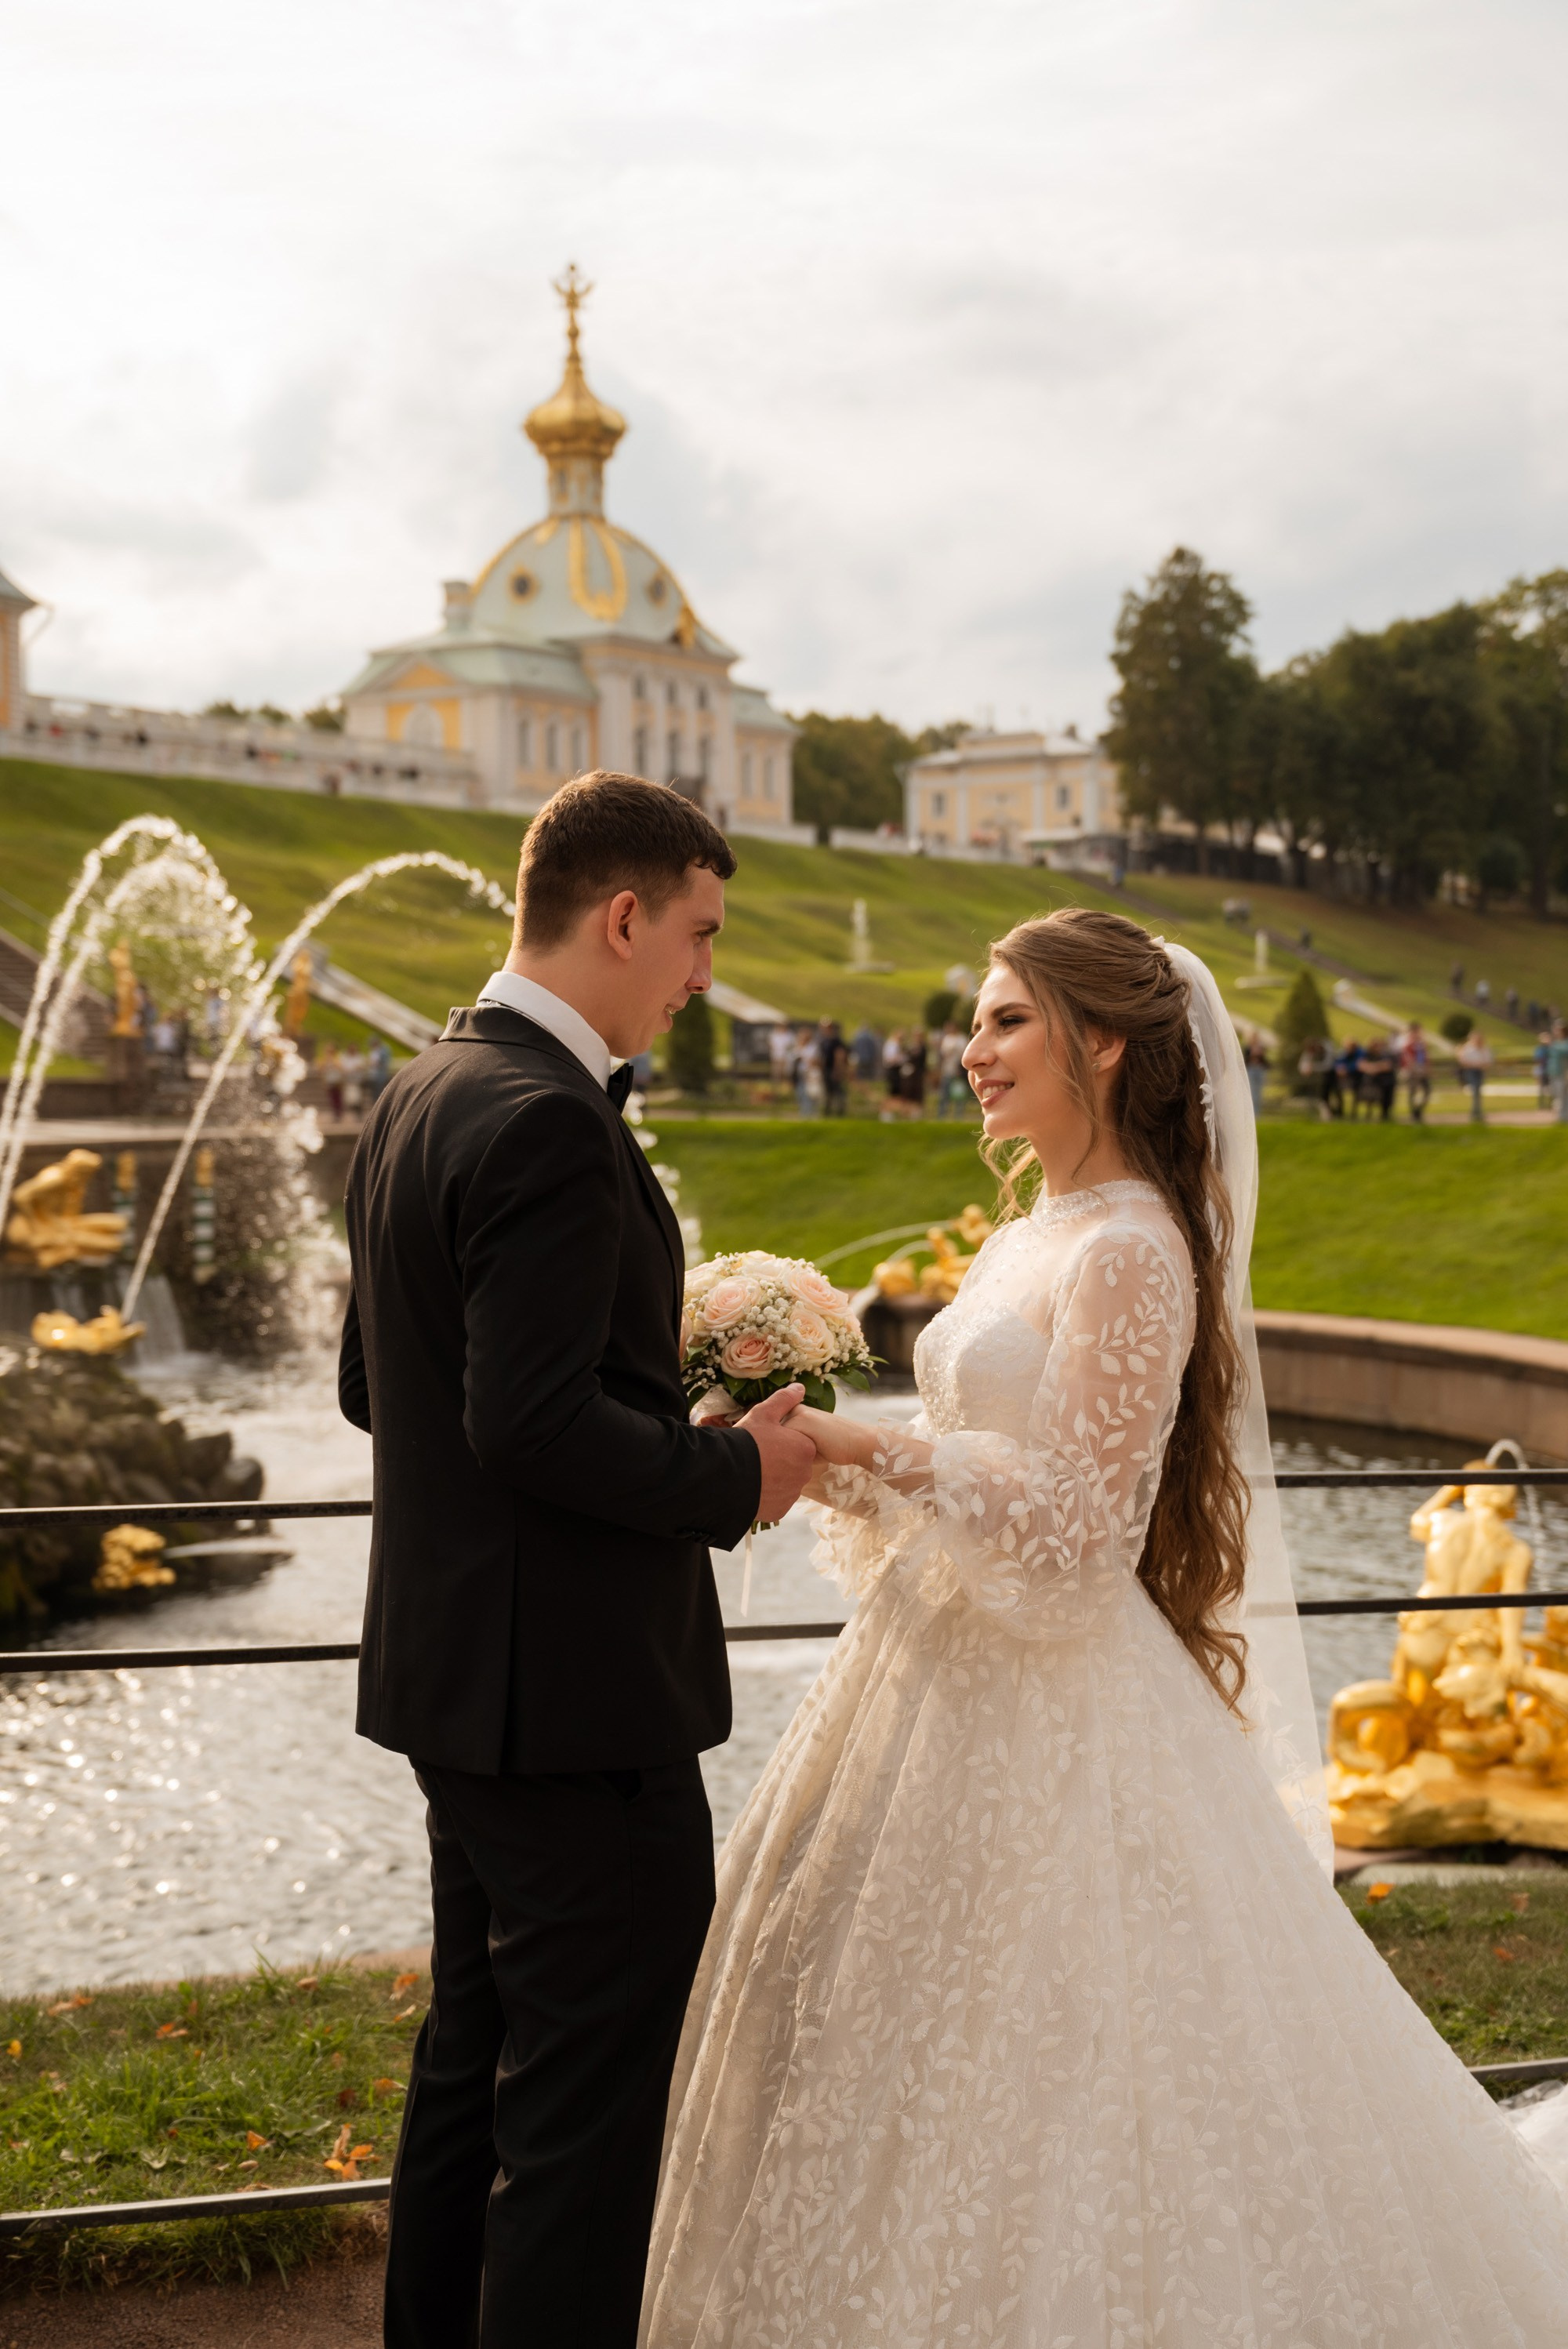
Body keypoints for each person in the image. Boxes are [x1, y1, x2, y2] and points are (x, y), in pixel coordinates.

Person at [641, 906, 1568, 2347]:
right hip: (930, 1669)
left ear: (1107, 1041)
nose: (974, 1050)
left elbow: (1081, 1531)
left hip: (1060, 1705)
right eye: (977, 1020)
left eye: (1009, 1020)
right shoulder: (1036, 1231)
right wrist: (838, 1451)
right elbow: (987, 1466)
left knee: (1069, 2070)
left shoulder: (1135, 1248)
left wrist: (859, 1448)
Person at [339, 773, 815, 2349]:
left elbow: (377, 1386)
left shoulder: (422, 1088)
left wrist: (632, 1402)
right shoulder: (547, 1120)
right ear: (623, 916)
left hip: (455, 1687)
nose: (699, 973)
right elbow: (529, 1425)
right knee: (586, 2132)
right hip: (576, 1710)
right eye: (695, 935)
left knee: (469, 2079)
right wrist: (738, 1467)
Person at [1457, 1025, 1493, 1122]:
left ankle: (1476, 1112)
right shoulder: (1467, 1048)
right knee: (1476, 1090)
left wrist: (1481, 1065)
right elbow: (1463, 1061)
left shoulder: (1484, 1048)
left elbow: (1488, 1061)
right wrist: (1475, 1064)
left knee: (1478, 1092)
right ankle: (1476, 1113)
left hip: (1480, 1071)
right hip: (1471, 1071)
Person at [935, 1019, 967, 1116]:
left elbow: (963, 1054)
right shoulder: (947, 1038)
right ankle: (941, 1115)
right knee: (944, 1094)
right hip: (947, 1070)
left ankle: (958, 1115)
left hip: (958, 1071)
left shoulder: (962, 1038)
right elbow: (943, 1054)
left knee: (959, 1095)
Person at [1401, 1018, 1431, 1122]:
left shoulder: (1421, 1044)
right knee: (1412, 1092)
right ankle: (1414, 1114)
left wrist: (1426, 1068)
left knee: (1427, 1091)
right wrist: (1418, 1069)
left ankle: (1418, 1111)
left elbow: (1425, 1057)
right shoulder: (1408, 1044)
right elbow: (1409, 1060)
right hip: (1413, 1072)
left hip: (1422, 1071)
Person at [818, 1018, 849, 1116]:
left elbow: (840, 1055)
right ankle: (828, 1111)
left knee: (837, 1090)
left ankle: (840, 1111)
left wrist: (837, 1070)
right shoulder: (824, 1040)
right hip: (826, 1069)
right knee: (828, 1091)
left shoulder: (836, 1040)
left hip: (834, 1069)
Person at [1243, 1031, 1268, 1114]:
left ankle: (1257, 1112)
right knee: (1252, 1090)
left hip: (1259, 1069)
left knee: (1258, 1091)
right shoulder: (1248, 1048)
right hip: (1251, 1069)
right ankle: (1252, 1112)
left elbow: (1265, 1061)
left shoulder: (1261, 1047)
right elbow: (1245, 1060)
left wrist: (1260, 1054)